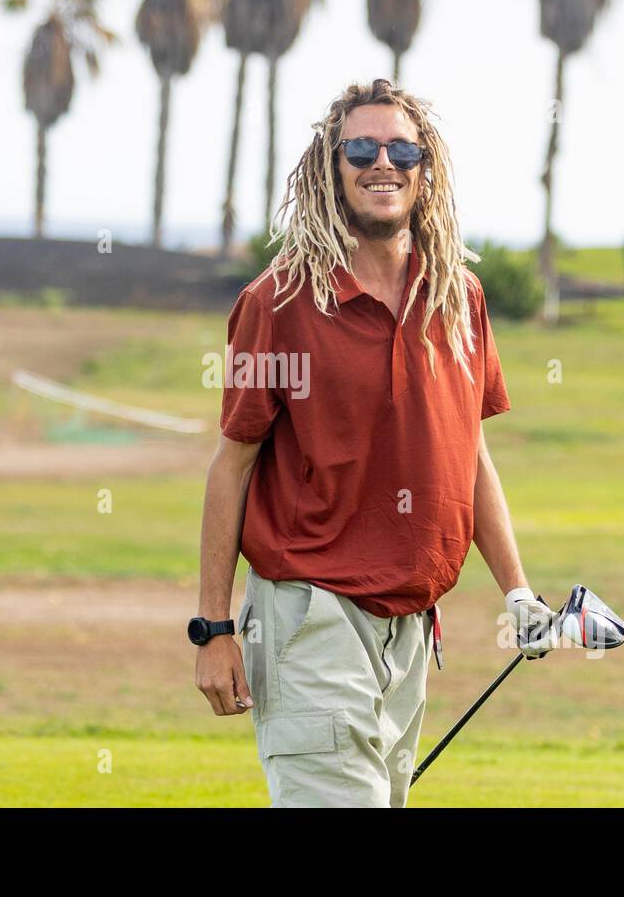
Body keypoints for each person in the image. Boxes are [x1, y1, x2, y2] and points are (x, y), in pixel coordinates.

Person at [189, 78, 556, 807]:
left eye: (401, 149)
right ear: (332, 165)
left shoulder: (459, 298)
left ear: (426, 170)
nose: (381, 162)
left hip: (412, 633)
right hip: (311, 622)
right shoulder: (279, 302)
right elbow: (232, 467)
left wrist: (518, 592)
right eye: (361, 147)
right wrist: (213, 629)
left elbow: (469, 456)